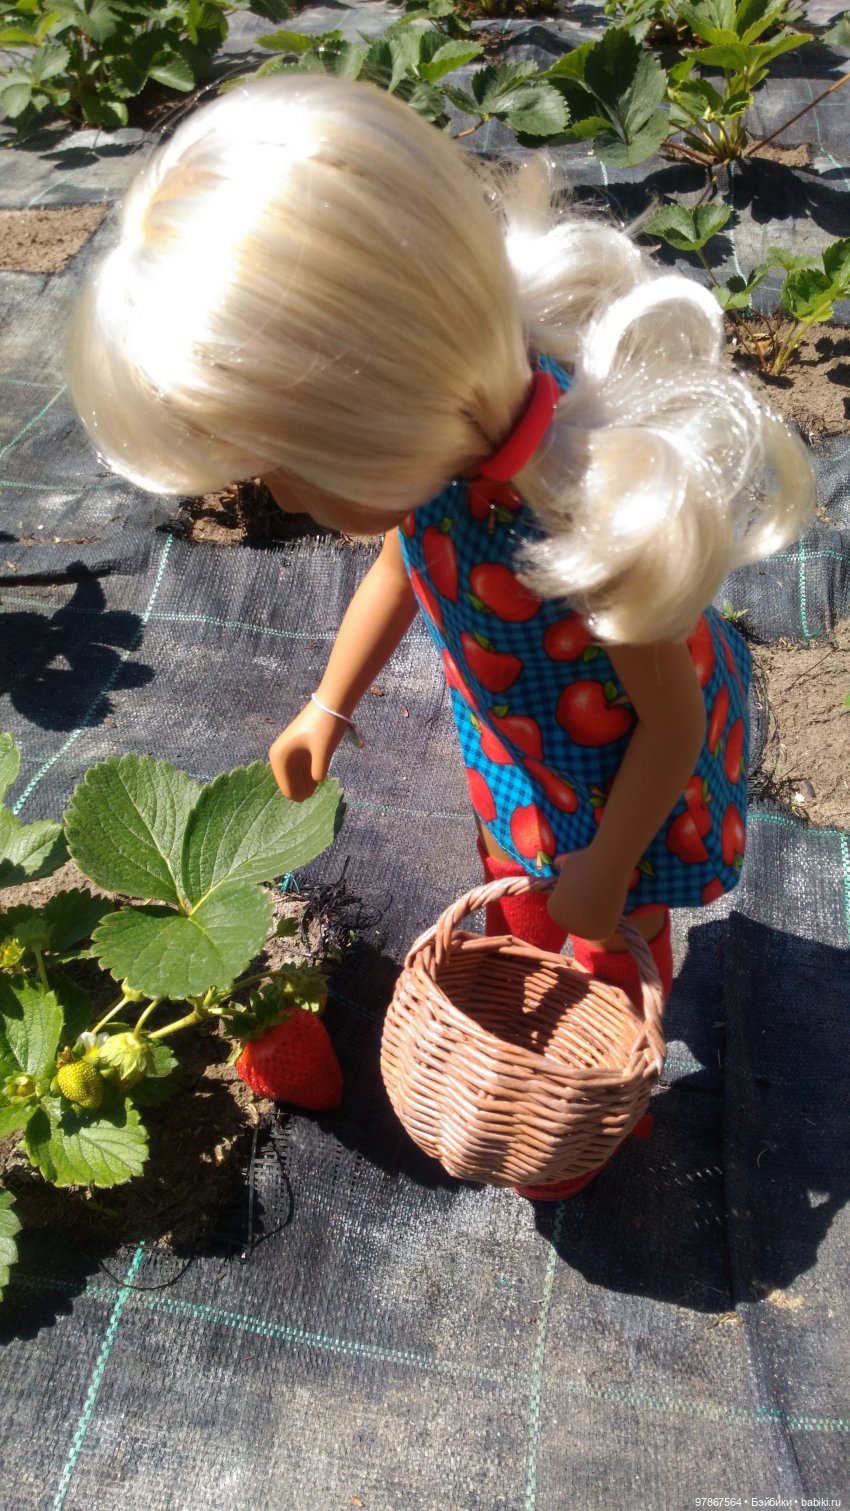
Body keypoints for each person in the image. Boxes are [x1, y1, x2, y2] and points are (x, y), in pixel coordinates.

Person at [68, 74, 815, 1197]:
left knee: (615, 931)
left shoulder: (589, 514)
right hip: (521, 754)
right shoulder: (432, 472)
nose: (280, 496)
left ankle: (601, 1079)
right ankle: (539, 993)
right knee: (525, 887)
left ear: (372, 414)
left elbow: (668, 730)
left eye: (284, 470)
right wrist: (327, 704)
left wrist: (609, 866)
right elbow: (400, 569)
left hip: (628, 780)